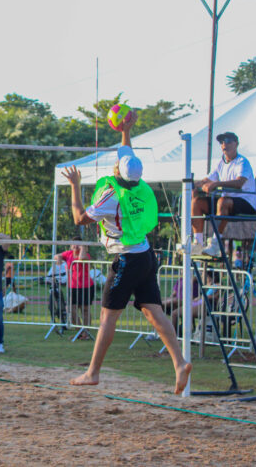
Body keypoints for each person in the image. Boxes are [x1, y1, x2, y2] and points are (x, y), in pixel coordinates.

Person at [62, 110, 192, 394]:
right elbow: (127, 156)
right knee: (154, 312)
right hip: (145, 255)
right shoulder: (139, 186)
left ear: (118, 172)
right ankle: (180, 363)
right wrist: (126, 131)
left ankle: (92, 373)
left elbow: (79, 218)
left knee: (108, 317)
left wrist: (74, 186)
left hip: (127, 260)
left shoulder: (112, 196)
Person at [191, 132, 256, 257]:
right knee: (197, 202)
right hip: (226, 201)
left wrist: (215, 184)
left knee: (223, 201)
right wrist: (193, 185)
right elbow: (207, 180)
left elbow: (239, 183)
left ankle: (215, 245)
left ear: (236, 144)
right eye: (221, 142)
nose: (224, 144)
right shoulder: (220, 162)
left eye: (228, 141)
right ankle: (198, 243)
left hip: (246, 201)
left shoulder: (242, 162)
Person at [54, 237, 94, 339]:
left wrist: (83, 248)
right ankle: (80, 331)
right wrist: (59, 257)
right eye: (73, 243)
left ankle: (86, 333)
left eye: (78, 244)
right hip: (72, 286)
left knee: (85, 310)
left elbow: (81, 258)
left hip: (86, 286)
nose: (75, 246)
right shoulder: (68, 254)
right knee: (70, 309)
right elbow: (56, 255)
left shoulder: (86, 255)